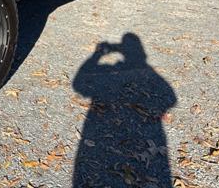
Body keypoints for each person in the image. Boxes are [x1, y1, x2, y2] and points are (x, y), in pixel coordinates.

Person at [72, 33, 177, 187]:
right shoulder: (151, 73)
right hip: (151, 133)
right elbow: (171, 98)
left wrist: (98, 54)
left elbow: (78, 84)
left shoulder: (144, 71)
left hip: (97, 127)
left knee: (93, 163)